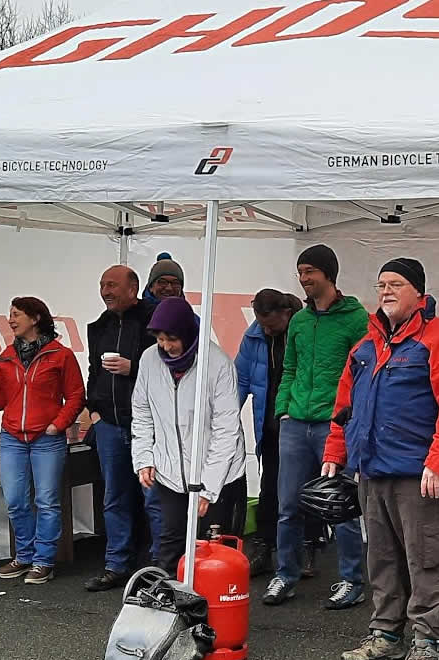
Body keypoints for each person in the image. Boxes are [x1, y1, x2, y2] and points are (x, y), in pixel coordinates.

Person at [322, 258, 439, 660]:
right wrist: (336, 452)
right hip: (371, 470)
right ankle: (386, 634)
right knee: (382, 557)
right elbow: (343, 408)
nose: (386, 291)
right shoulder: (366, 347)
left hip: (416, 473)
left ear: (418, 292)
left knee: (424, 558)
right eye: (381, 285)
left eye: (396, 284)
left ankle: (427, 642)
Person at [263, 244, 368, 610]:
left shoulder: (357, 320)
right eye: (301, 272)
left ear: (328, 273)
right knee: (287, 504)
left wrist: (348, 418)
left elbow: (365, 374)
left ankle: (352, 580)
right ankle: (285, 574)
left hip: (333, 425)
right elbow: (288, 368)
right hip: (296, 423)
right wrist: (283, 411)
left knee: (339, 505)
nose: (304, 278)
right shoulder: (300, 321)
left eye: (310, 271)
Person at [0, 297, 85, 585]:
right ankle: (24, 555)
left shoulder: (60, 355)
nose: (10, 320)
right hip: (12, 437)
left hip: (47, 439)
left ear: (35, 318)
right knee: (15, 501)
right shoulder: (6, 357)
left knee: (47, 501)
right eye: (10, 314)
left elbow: (75, 395)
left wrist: (58, 425)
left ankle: (43, 560)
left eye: (16, 314)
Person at [132, 297, 247, 574]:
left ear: (187, 334)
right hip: (170, 473)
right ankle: (171, 607)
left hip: (218, 476)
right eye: (160, 339)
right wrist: (144, 457)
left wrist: (207, 488)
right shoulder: (149, 360)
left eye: (172, 339)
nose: (166, 346)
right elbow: (142, 412)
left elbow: (226, 430)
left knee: (212, 551)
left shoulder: (218, 364)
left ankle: (211, 612)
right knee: (170, 544)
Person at [84, 265, 167, 592]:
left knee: (154, 497)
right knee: (114, 497)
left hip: (148, 427)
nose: (106, 290)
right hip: (109, 425)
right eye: (102, 284)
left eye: (112, 285)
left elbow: (170, 366)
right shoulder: (98, 327)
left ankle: (162, 566)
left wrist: (132, 368)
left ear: (133, 288)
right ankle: (116, 564)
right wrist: (93, 411)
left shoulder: (154, 320)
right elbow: (93, 371)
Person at [234, 289, 303, 576]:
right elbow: (239, 381)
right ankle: (263, 546)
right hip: (270, 426)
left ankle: (307, 547)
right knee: (270, 487)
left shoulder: (304, 331)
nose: (266, 329)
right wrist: (226, 419)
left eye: (271, 325)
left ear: (286, 314)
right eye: (261, 323)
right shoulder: (253, 337)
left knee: (303, 489)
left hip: (300, 423)